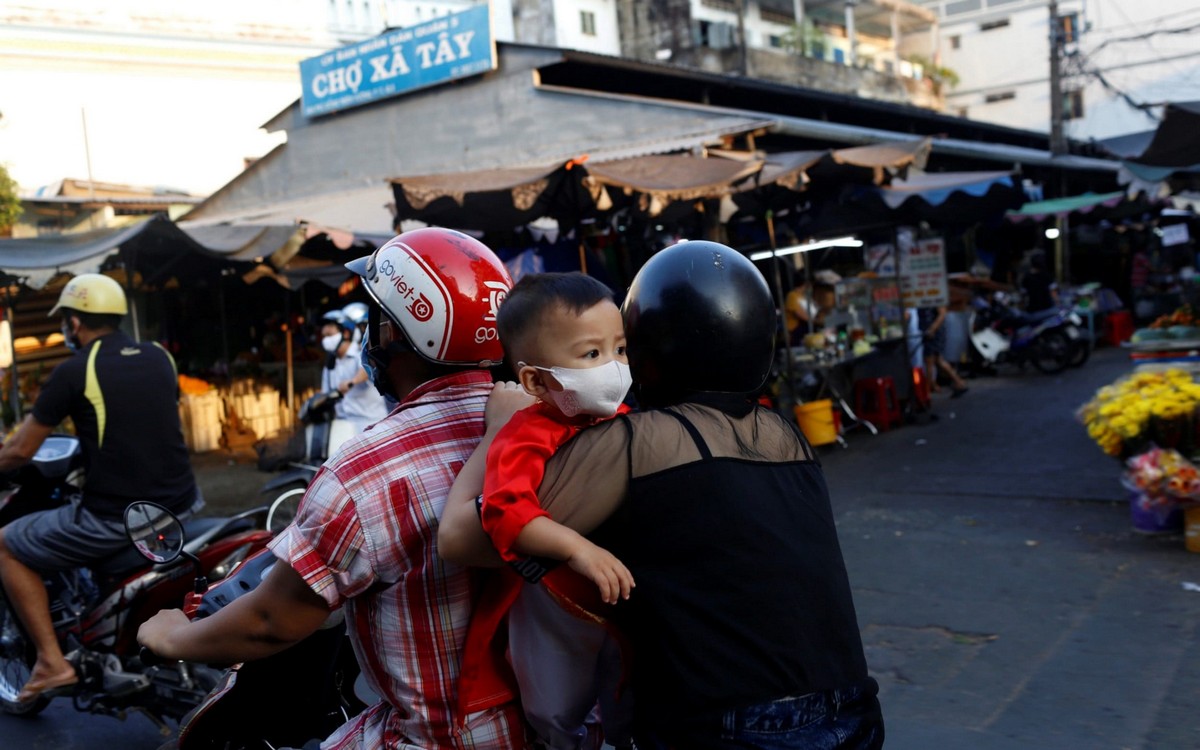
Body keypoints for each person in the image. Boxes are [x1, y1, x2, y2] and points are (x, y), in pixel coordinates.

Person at [441, 240, 884, 749]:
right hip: (851, 707)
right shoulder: (785, 435)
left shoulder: (635, 444)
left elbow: (461, 538)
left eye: (622, 348)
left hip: (733, 722)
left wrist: (499, 430)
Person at [138, 228, 531, 750]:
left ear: (392, 334)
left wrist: (173, 637)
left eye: (373, 320)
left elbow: (269, 622)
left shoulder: (364, 469)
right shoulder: (542, 426)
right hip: (545, 726)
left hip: (432, 737)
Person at [0, 273, 202, 704]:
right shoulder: (159, 356)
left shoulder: (74, 371)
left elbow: (20, 450)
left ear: (74, 323)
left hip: (118, 518)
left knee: (5, 545)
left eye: (65, 321)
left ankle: (52, 663)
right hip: (182, 506)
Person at [472, 272, 636, 750]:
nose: (614, 367)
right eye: (591, 354)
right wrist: (577, 548)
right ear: (534, 380)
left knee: (623, 703)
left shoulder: (628, 421)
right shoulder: (525, 434)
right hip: (554, 603)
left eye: (620, 349)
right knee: (558, 713)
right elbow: (503, 510)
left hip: (618, 600)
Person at [319, 306, 389, 433]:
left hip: (370, 424)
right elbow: (326, 393)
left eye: (329, 335)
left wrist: (352, 382)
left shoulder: (360, 353)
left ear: (345, 333)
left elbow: (366, 370)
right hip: (343, 427)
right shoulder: (330, 365)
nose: (326, 340)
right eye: (324, 336)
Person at [917, 305, 968, 399]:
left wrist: (932, 329)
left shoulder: (935, 297)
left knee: (930, 361)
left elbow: (942, 314)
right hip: (931, 332)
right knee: (938, 360)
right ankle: (958, 382)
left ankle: (927, 392)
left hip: (933, 333)